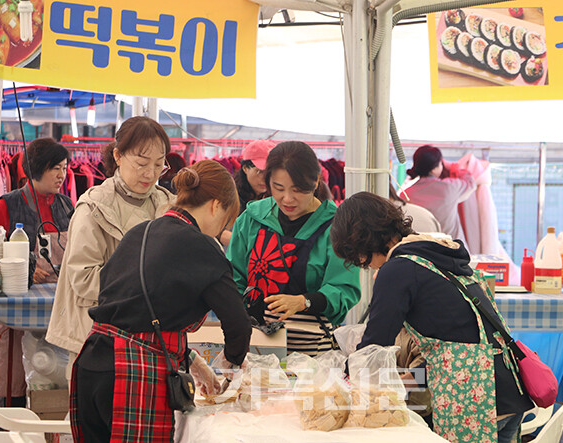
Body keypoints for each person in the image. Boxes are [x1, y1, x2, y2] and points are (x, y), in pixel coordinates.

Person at [71, 160, 252, 441]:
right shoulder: (203, 247)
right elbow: (239, 324)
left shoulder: (140, 232)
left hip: (91, 363)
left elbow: (135, 310)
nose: (219, 230)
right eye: (225, 221)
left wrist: (194, 362)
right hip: (130, 373)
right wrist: (232, 362)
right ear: (216, 205)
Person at [331, 192, 532, 443]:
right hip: (505, 390)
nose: (367, 265)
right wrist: (413, 378)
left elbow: (374, 343)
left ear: (364, 241)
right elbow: (458, 338)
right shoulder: (436, 253)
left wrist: (338, 379)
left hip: (475, 401)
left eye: (359, 257)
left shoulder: (398, 268)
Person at [46, 116, 174, 378]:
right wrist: (143, 286)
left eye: (159, 165)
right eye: (141, 163)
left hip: (152, 340)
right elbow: (82, 278)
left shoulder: (168, 205)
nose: (150, 173)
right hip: (97, 341)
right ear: (118, 155)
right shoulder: (94, 208)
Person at [226, 141, 360, 356]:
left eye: (298, 190)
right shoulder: (251, 219)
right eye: (278, 188)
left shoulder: (336, 228)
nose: (287, 199)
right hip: (254, 347)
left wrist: (303, 301)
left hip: (312, 355)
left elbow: (344, 290)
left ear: (316, 182)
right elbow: (233, 278)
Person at [0, 137, 72, 407]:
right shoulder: (8, 205)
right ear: (36, 169)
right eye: (55, 168)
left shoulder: (68, 205)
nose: (62, 175)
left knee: (57, 373)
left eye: (64, 167)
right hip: (18, 306)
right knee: (14, 370)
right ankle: (11, 420)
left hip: (59, 306)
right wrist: (23, 268)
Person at [401, 145, 476, 243]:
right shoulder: (449, 187)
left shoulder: (406, 194)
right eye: (440, 163)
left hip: (421, 250)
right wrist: (452, 166)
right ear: (433, 169)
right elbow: (470, 182)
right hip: (452, 249)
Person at [235, 139, 276, 214]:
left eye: (270, 172)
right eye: (260, 171)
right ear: (245, 168)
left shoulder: (276, 198)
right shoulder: (232, 198)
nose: (265, 178)